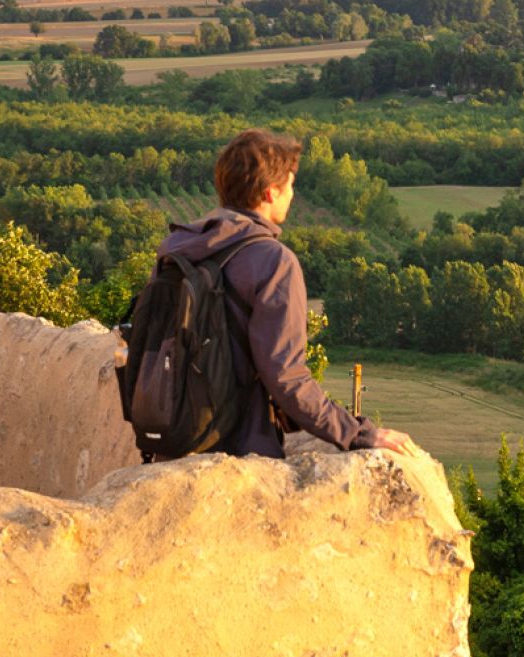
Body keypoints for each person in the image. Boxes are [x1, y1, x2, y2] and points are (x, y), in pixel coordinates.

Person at [154, 129, 412, 458]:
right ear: (270, 192)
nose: (293, 194)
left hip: (173, 436)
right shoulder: (273, 261)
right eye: (290, 185)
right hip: (237, 449)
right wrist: (357, 433)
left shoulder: (177, 248)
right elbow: (286, 376)